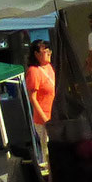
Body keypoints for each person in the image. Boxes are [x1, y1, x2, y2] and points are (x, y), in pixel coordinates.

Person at [23, 39, 54, 167]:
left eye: (49, 50)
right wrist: (45, 119)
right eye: (44, 51)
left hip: (54, 114)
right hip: (43, 118)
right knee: (47, 147)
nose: (48, 53)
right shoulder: (34, 71)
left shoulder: (49, 67)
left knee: (56, 146)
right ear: (36, 54)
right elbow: (33, 98)